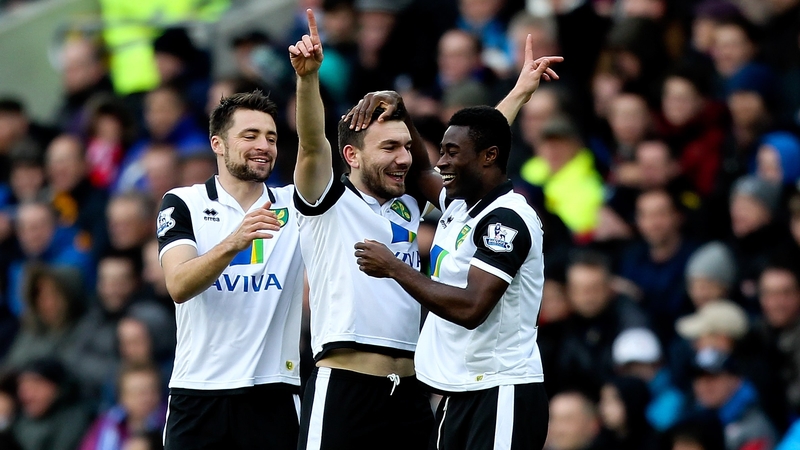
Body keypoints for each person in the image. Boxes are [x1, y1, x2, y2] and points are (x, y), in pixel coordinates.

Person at [290, 8, 561, 450]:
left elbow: (474, 152)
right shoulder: (327, 201)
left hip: (413, 392)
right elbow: (311, 145)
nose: (406, 157)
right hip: (346, 383)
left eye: (405, 146)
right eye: (389, 147)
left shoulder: (420, 202)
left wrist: (517, 96)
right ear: (353, 156)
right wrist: (308, 80)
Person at [352, 62, 558, 450]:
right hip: (459, 390)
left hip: (501, 389)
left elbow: (472, 308)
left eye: (451, 153)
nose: (441, 162)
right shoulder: (460, 205)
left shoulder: (507, 219)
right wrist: (400, 112)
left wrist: (394, 268)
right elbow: (421, 172)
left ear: (488, 157)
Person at [156, 90, 303, 449]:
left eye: (271, 138)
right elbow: (178, 284)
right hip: (198, 392)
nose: (264, 146)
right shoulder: (183, 202)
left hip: (272, 392)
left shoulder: (294, 206)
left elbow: (314, 149)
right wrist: (233, 243)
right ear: (218, 144)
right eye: (250, 135)